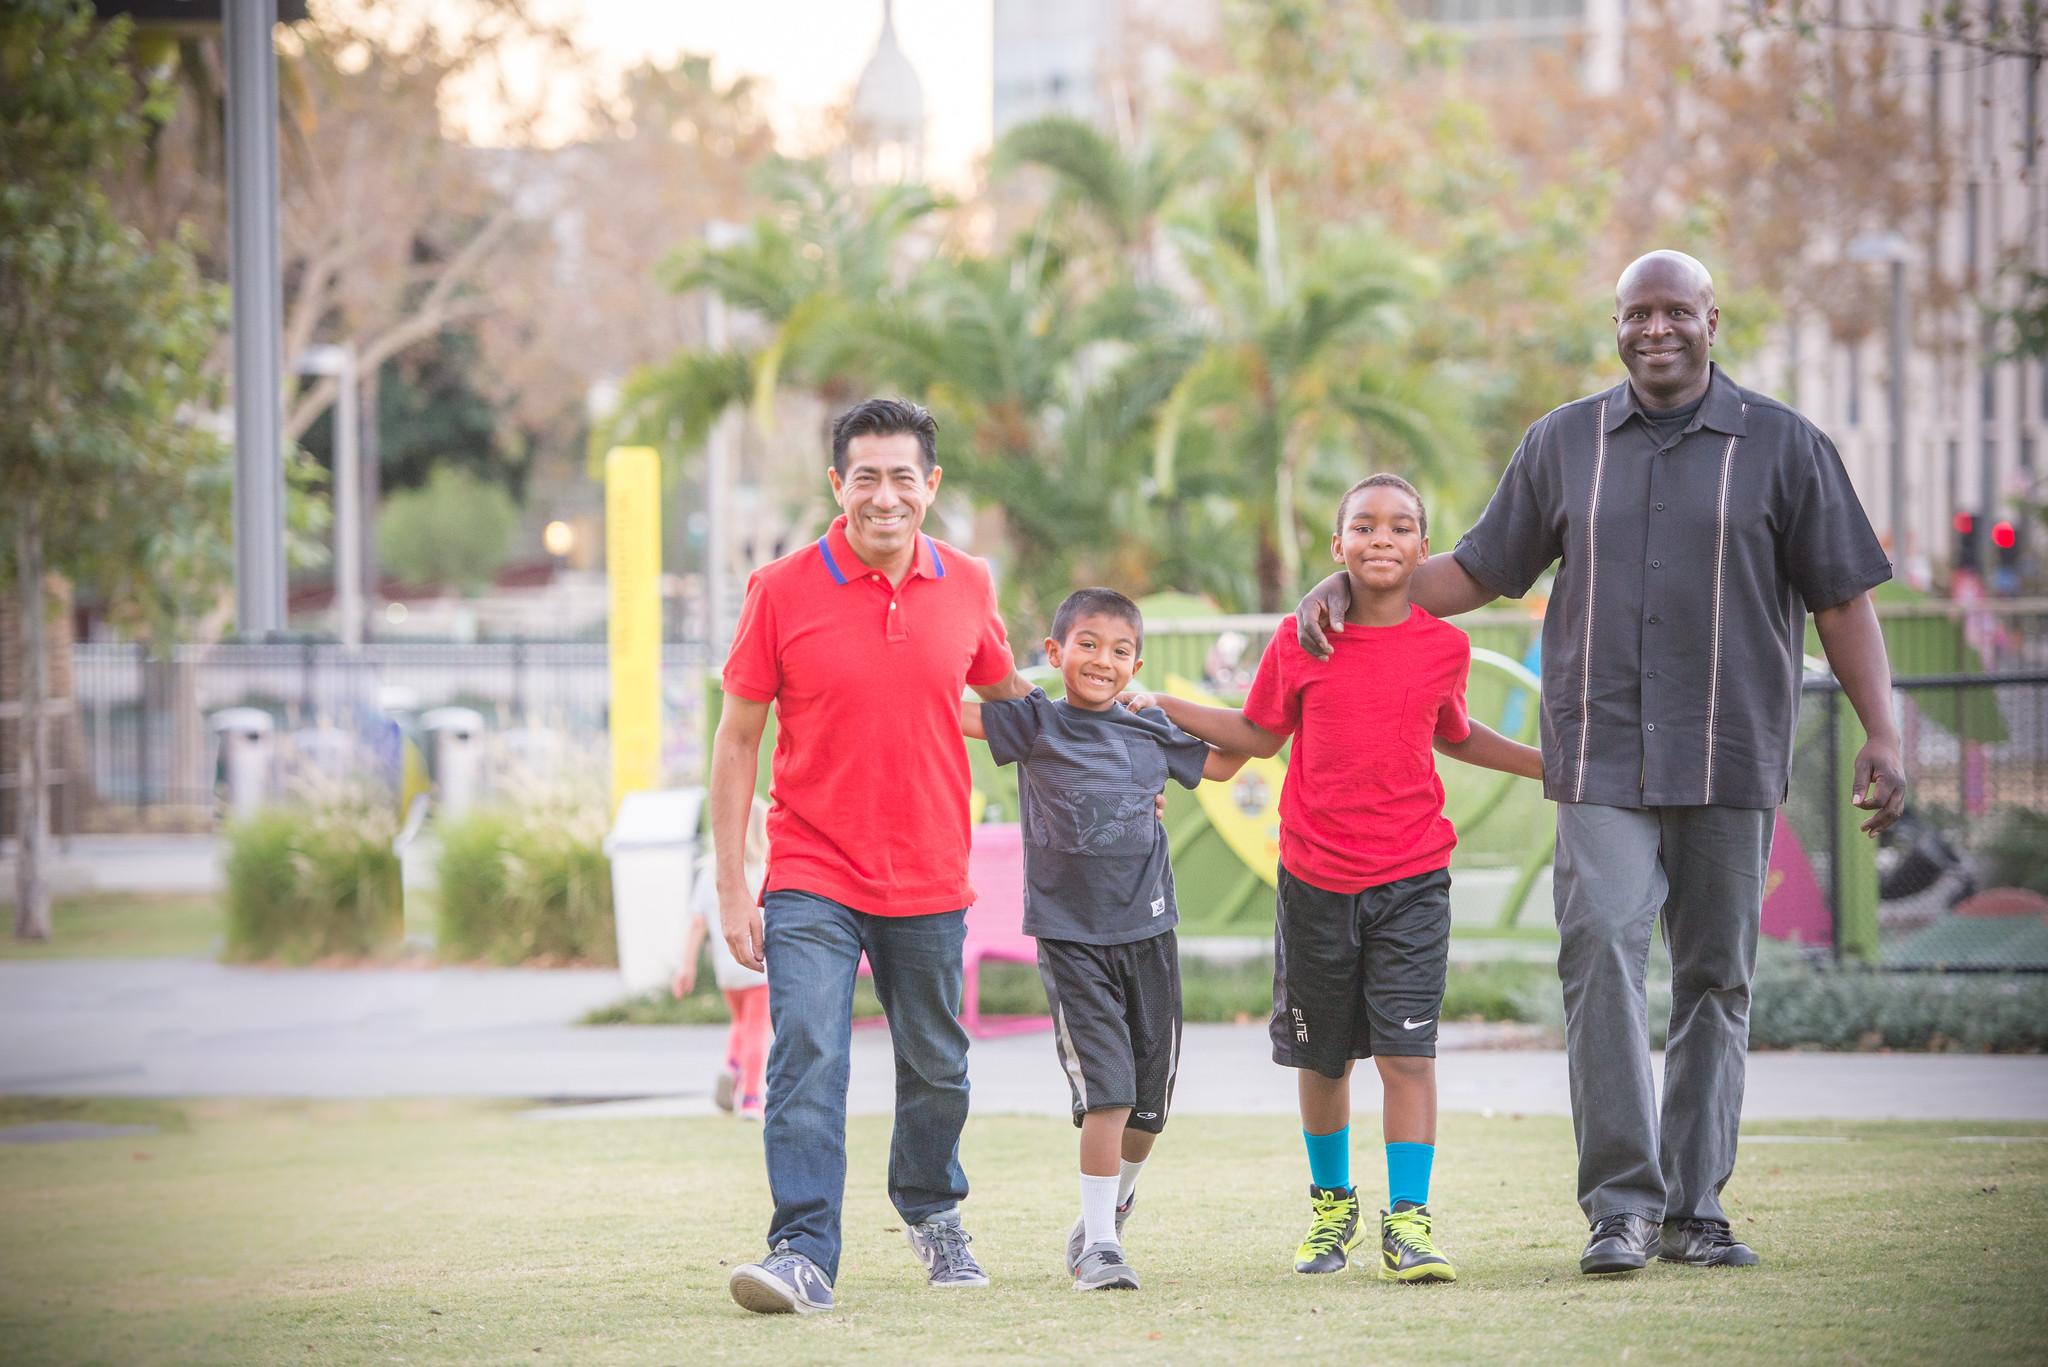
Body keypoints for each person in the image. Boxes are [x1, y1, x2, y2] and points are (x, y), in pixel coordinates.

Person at [1295, 251, 1905, 1275]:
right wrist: (1356, 579)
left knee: (1715, 978)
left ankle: (1693, 1206)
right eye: (1635, 313)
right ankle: (1618, 1205)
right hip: (1598, 754)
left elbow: (1842, 599)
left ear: (1712, 317)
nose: (1653, 329)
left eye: (1674, 311)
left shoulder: (1784, 446)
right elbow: (1481, 569)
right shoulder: (1562, 442)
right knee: (1600, 960)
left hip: (1727, 746)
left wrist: (1881, 733)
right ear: (1614, 325)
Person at [1129, 475, 1543, 1285]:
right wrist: (1166, 705)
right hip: (1315, 881)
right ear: (1337, 545)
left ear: (1426, 548)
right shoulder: (1301, 638)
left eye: (1399, 527)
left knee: (1407, 1055)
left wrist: (1546, 764)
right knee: (1323, 1064)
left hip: (1414, 879)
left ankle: (1410, 1221)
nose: (1381, 538)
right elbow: (1255, 733)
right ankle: (1331, 1207)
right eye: (1363, 525)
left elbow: (1454, 733)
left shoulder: (1444, 647)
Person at [717, 399, 1036, 1316]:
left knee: (936, 1061)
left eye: (904, 476)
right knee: (808, 1049)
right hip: (813, 866)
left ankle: (932, 1209)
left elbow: (1008, 704)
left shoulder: (969, 582)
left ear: (931, 487)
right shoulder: (779, 589)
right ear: (837, 485)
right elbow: (738, 740)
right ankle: (803, 1250)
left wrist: (1102, 714)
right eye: (867, 476)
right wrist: (734, 884)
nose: (885, 495)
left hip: (931, 868)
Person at [962, 587, 1249, 1292]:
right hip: (1072, 939)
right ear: (1055, 653)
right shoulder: (1033, 723)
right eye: (1087, 644)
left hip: (1150, 933)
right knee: (1108, 1096)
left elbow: (1231, 757)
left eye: (1121, 650)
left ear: (1137, 664)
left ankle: (1116, 1201)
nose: (1102, 660)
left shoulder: (1148, 729)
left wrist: (1169, 705)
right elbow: (945, 710)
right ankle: (1099, 1246)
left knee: (1147, 1113)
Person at [675, 796, 772, 1122]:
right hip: (758, 968)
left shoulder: (711, 875)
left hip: (726, 970)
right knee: (757, 1029)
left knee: (740, 1023)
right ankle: (751, 1099)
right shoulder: (762, 873)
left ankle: (731, 1065)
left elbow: (696, 925)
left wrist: (686, 966)